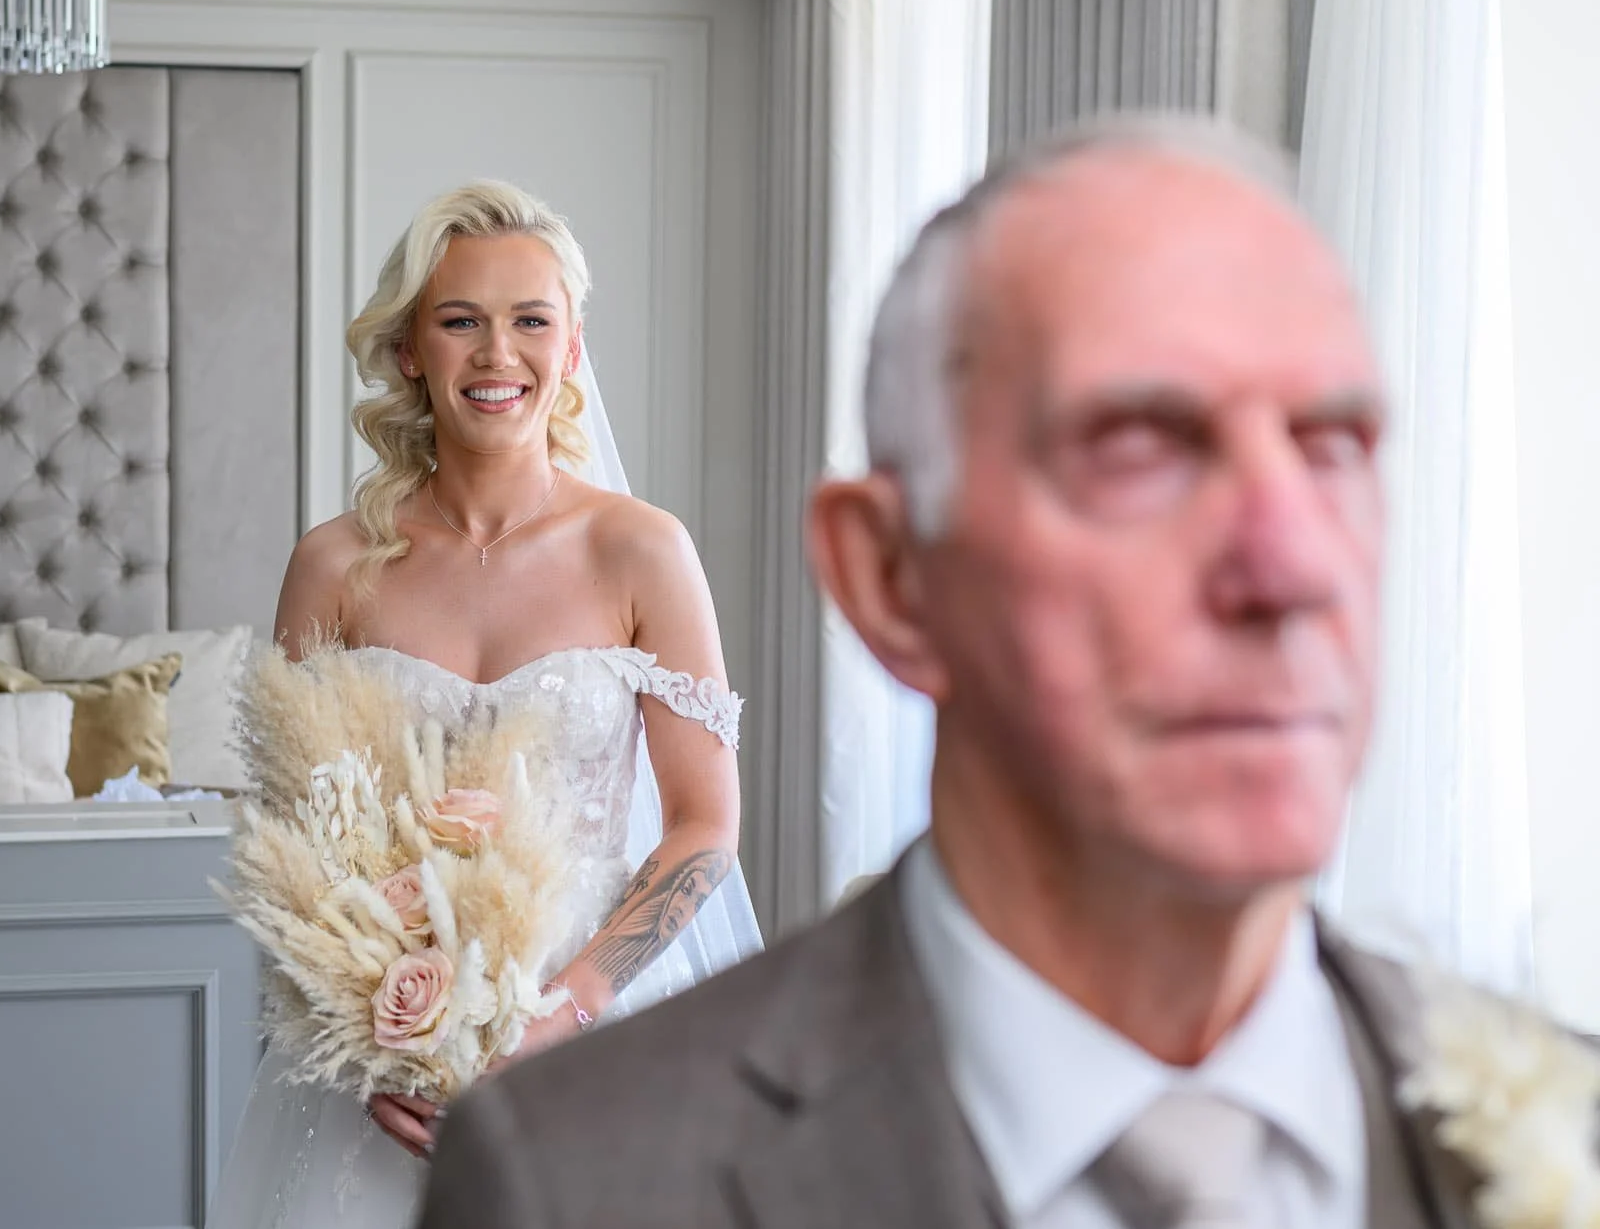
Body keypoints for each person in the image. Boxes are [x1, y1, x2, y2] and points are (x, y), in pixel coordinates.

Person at [414, 117, 1546, 1227]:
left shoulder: (1560, 1129)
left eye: (1329, 446)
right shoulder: (574, 1178)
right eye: (1139, 449)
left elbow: (701, 823)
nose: (1288, 563)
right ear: (890, 574)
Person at [207, 181, 763, 1229]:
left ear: (573, 348)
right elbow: (295, 835)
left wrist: (565, 1013)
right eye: (459, 321)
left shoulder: (641, 550)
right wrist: (366, 1037)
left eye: (529, 321)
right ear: (411, 350)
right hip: (380, 1064)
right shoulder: (332, 565)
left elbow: (703, 824)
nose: (496, 354)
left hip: (598, 1032)